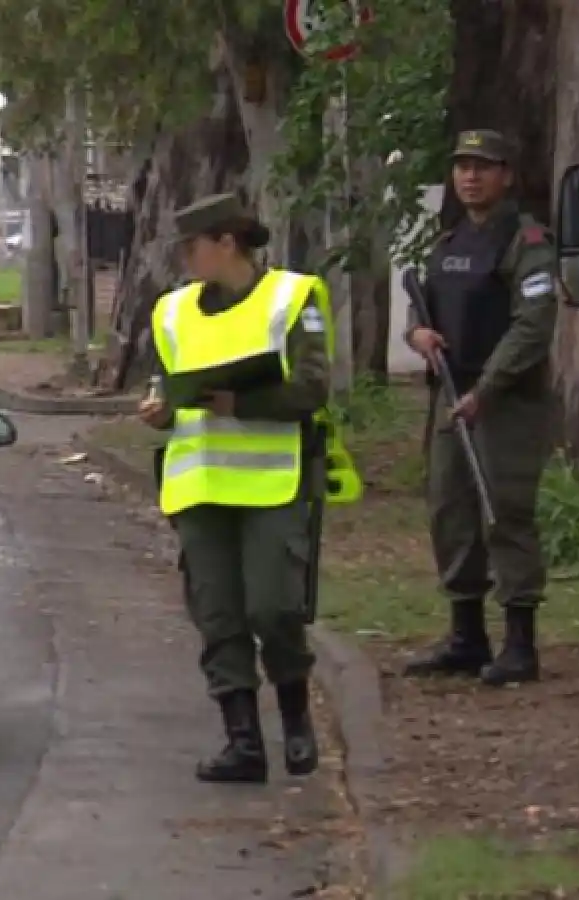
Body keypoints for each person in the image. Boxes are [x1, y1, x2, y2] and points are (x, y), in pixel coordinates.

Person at [138, 192, 360, 784]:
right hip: (198, 486)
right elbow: (165, 381)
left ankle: (294, 717)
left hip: (273, 483)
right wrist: (159, 409)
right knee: (218, 615)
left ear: (227, 242)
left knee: (274, 607)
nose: (186, 258)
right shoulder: (171, 311)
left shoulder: (292, 297)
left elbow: (312, 390)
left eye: (193, 246)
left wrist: (244, 402)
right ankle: (242, 742)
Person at [402, 129, 559, 687]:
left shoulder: (526, 240)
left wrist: (485, 391)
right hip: (450, 394)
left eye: (483, 166)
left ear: (506, 175)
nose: (470, 176)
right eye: (462, 166)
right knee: (451, 512)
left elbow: (533, 325)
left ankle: (520, 644)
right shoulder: (448, 244)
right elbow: (424, 312)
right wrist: (417, 335)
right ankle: (466, 636)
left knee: (505, 512)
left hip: (504, 402)